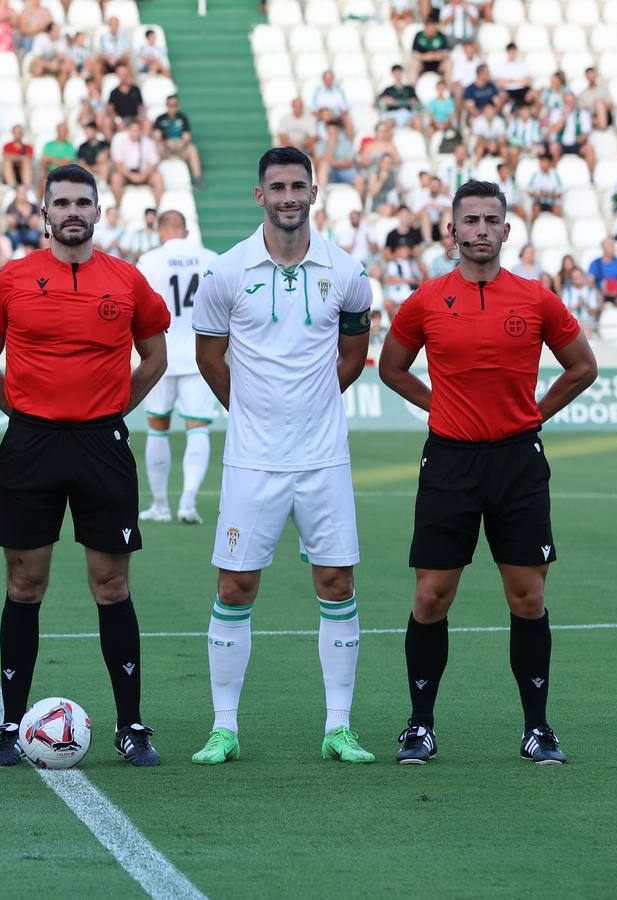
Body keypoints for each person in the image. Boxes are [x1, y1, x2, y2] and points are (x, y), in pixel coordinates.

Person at [378, 180, 598, 766]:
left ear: (506, 230)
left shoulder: (536, 299)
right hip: (449, 460)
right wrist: (441, 407)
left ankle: (537, 729)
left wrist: (533, 415)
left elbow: (582, 368)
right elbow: (392, 368)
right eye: (468, 220)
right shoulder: (424, 300)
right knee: (432, 596)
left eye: (489, 220)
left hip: (517, 462)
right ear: (452, 231)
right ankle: (420, 726)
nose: (479, 229)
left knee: (527, 597)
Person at [0, 164, 171, 768]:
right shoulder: (12, 279)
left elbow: (155, 355)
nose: (73, 211)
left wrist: (112, 411)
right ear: (44, 212)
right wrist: (23, 412)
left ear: (99, 212)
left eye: (84, 202)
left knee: (112, 584)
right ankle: (10, 724)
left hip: (101, 446)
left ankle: (131, 726)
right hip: (31, 445)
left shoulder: (127, 280)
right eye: (62, 203)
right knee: (23, 584)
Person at [187, 147, 375, 767]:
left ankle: (339, 726)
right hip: (252, 462)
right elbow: (209, 358)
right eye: (277, 186)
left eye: (299, 185)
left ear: (315, 193)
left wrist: (311, 405)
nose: (289, 196)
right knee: (235, 586)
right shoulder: (225, 271)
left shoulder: (347, 272)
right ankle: (224, 726)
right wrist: (253, 413)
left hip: (323, 459)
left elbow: (352, 355)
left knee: (336, 581)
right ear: (259, 195)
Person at [137, 211, 220, 525]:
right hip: (199, 354)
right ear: (185, 230)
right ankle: (187, 503)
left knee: (158, 425)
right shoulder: (209, 258)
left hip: (160, 353)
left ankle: (160, 505)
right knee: (197, 427)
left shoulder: (149, 260)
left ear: (160, 230)